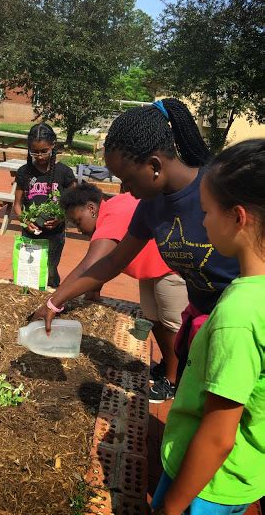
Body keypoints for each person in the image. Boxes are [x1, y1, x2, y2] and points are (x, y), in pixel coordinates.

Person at [32, 98, 240, 392]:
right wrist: (55, 302)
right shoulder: (151, 206)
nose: (124, 190)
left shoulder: (218, 190)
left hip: (242, 325)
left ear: (154, 166)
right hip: (205, 322)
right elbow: (111, 262)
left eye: (126, 179)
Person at [148, 139, 265, 515]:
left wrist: (174, 506)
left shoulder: (239, 313)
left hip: (211, 476)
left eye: (207, 212)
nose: (201, 223)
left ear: (237, 218)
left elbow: (219, 435)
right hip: (250, 463)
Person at [59, 183, 188, 402]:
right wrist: (95, 288)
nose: (79, 229)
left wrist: (53, 303)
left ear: (91, 208)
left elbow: (89, 265)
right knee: (154, 318)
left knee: (172, 324)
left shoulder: (111, 219)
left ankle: (174, 381)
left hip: (169, 269)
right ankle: (169, 364)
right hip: (150, 270)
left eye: (78, 222)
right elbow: (105, 264)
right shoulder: (111, 205)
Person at [13, 123, 75, 288]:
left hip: (54, 235)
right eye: (34, 152)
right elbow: (17, 206)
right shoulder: (24, 172)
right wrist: (26, 222)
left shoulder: (64, 173)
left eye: (44, 151)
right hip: (29, 235)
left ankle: (52, 303)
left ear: (53, 146)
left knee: (50, 271)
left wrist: (60, 218)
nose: (39, 156)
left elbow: (73, 204)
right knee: (28, 274)